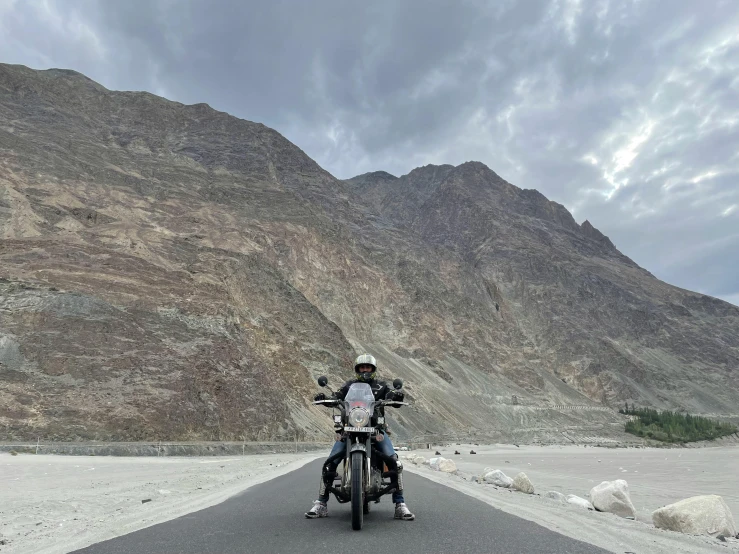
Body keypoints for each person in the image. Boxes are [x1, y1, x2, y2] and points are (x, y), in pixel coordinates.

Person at [305, 354, 415, 521]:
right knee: (330, 462)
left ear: (373, 369)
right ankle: (321, 503)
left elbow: (391, 397)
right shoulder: (350, 386)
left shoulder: (381, 386)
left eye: (368, 367)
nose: (365, 370)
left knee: (394, 461)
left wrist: (396, 397)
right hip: (349, 429)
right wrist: (325, 400)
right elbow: (337, 396)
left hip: (375, 429)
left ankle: (400, 504)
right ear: (357, 369)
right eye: (362, 367)